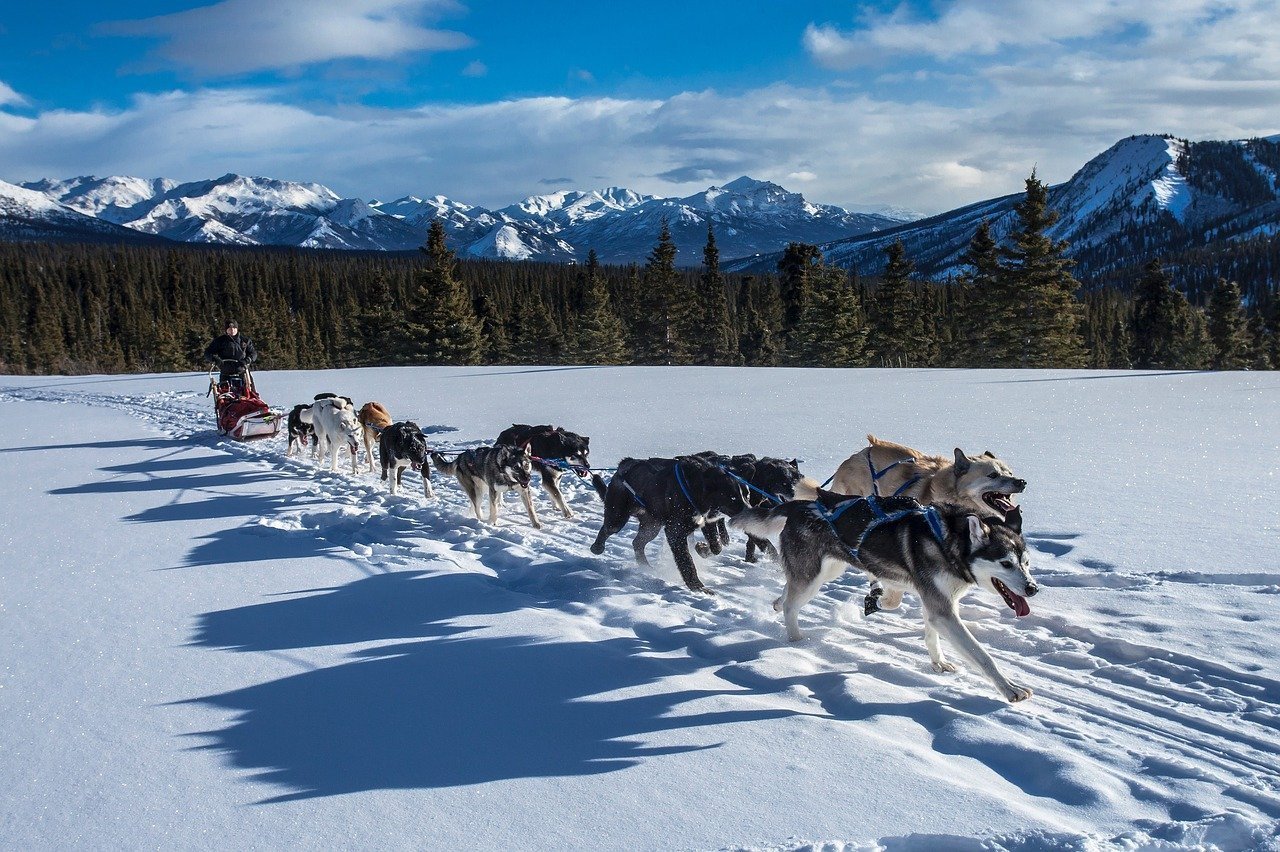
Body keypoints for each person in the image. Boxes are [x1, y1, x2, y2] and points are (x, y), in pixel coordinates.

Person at [204, 319, 257, 387]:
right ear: (226, 330)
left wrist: (247, 360)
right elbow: (208, 352)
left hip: (243, 373)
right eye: (230, 328)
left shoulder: (245, 340)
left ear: (237, 329)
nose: (232, 330)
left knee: (251, 395)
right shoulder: (220, 341)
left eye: (234, 328)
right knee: (225, 395)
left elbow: (253, 353)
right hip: (226, 373)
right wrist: (215, 359)